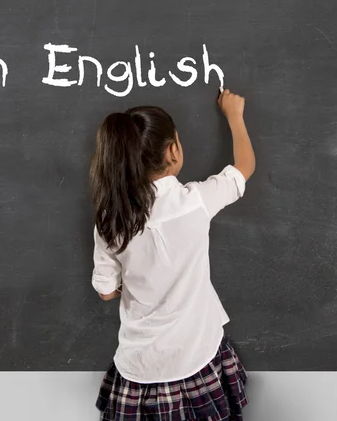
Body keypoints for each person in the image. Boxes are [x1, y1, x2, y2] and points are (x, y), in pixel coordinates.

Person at [89, 89, 255, 421]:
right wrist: (234, 116)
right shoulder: (195, 201)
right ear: (173, 150)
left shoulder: (110, 219)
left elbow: (106, 290)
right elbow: (244, 167)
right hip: (197, 356)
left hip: (141, 368)